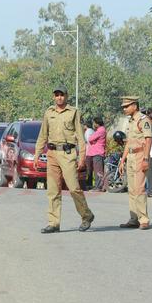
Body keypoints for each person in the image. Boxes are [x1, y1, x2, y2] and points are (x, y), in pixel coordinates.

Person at [34, 84, 95, 233]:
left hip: (68, 154)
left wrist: (82, 158)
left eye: (61, 95)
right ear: (53, 97)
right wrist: (37, 154)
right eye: (56, 95)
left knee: (74, 188)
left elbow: (81, 137)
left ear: (66, 96)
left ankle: (86, 215)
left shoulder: (73, 112)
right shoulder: (49, 112)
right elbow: (43, 135)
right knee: (53, 190)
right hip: (52, 154)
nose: (59, 97)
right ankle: (54, 222)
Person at [118, 96, 152, 229]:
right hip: (131, 156)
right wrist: (122, 160)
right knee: (131, 189)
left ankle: (144, 219)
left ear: (135, 106)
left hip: (140, 155)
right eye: (123, 107)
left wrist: (145, 159)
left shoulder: (143, 120)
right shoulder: (131, 121)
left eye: (126, 106)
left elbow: (148, 140)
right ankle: (134, 218)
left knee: (139, 188)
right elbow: (128, 142)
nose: (124, 109)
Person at [86, 116, 106, 191]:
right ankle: (98, 186)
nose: (93, 124)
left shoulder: (101, 130)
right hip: (95, 152)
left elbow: (90, 139)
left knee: (98, 171)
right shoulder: (99, 130)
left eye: (94, 123)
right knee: (96, 170)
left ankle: (99, 187)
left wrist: (93, 141)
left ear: (97, 123)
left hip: (98, 152)